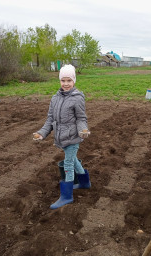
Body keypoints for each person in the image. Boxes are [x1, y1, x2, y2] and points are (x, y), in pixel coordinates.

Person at [33, 64, 91, 210]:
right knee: (73, 159)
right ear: (60, 81)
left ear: (74, 81)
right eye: (63, 80)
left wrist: (83, 130)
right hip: (61, 137)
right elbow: (50, 119)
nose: (66, 84)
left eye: (69, 81)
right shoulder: (55, 98)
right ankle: (84, 183)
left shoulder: (77, 98)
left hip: (72, 137)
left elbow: (81, 118)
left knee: (68, 164)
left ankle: (67, 196)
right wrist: (42, 133)